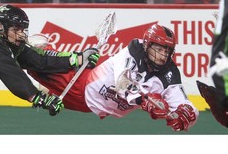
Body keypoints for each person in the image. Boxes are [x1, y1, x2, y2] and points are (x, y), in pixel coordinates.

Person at [0, 3, 100, 134]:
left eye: (22, 30)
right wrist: (39, 98)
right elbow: (13, 75)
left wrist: (78, 58)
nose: (21, 35)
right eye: (16, 30)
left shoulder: (7, 43)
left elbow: (39, 60)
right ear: (1, 27)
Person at [28, 24, 199, 132]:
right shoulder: (133, 50)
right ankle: (28, 44)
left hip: (91, 106)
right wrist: (144, 101)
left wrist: (189, 114)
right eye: (159, 49)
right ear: (147, 45)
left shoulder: (170, 74)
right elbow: (123, 83)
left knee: (45, 92)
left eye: (167, 51)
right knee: (34, 63)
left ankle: (45, 87)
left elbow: (182, 101)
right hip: (81, 85)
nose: (163, 55)